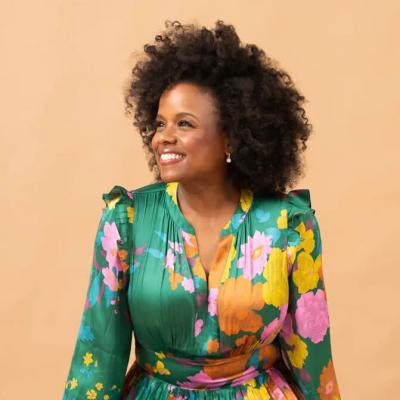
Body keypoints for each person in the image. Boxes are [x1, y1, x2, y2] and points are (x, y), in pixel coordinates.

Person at [62, 20, 341, 400]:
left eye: (184, 124)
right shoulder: (126, 222)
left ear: (231, 136)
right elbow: (99, 354)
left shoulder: (287, 225)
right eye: (160, 123)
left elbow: (312, 356)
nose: (164, 137)